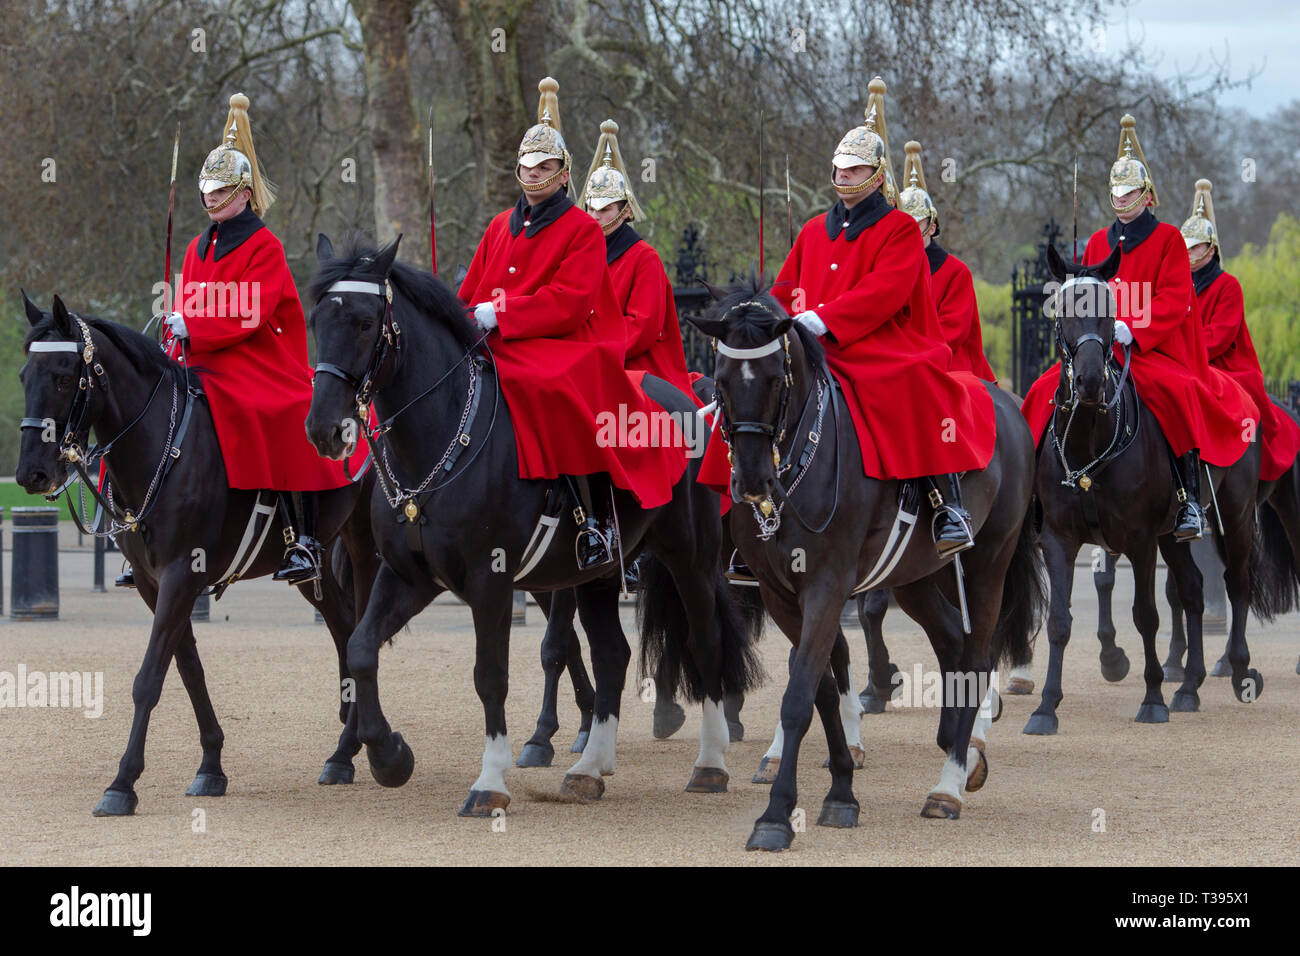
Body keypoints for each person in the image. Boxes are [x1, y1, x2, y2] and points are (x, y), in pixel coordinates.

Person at [725, 76, 996, 563]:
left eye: (855, 170)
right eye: (840, 169)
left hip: (884, 343)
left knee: (916, 380)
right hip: (815, 346)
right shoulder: (813, 229)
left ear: (876, 173)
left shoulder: (899, 230)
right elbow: (784, 290)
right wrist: (765, 318)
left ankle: (946, 502)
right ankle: (749, 517)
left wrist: (823, 320)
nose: (844, 176)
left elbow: (884, 294)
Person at [457, 78, 687, 570]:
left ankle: (592, 517)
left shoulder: (581, 230)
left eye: (544, 166)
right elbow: (470, 290)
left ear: (564, 175)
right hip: (498, 342)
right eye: (527, 166)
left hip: (566, 343)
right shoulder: (500, 225)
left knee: (553, 386)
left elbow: (569, 301)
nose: (533, 173)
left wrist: (502, 313)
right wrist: (453, 322)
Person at [120, 93, 348, 589]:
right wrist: (180, 322)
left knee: (284, 413)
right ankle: (138, 530)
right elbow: (197, 300)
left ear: (244, 193)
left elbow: (251, 310)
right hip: (202, 356)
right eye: (208, 189)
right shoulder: (200, 244)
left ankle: (301, 537)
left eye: (222, 190)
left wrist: (194, 324)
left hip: (258, 359)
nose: (211, 197)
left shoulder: (264, 244)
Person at [1020, 115, 1257, 540]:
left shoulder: (1168, 239)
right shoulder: (1096, 241)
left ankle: (1186, 497)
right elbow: (1085, 298)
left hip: (1155, 350)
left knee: (1179, 394)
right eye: (1117, 192)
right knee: (1041, 393)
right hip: (1102, 349)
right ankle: (1034, 498)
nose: (1123, 198)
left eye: (1130, 191)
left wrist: (1136, 329)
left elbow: (1175, 299)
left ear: (1147, 196)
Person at [1182, 178, 1300, 482]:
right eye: (1186, 247)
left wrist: (1182, 349)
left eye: (1196, 246)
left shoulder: (1227, 285)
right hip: (1186, 361)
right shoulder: (1178, 287)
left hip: (1226, 365)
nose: (1190, 252)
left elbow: (1219, 338)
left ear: (1211, 249)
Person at [897, 140, 996, 382]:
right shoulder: (888, 269)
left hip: (949, 363)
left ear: (931, 227)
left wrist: (909, 353)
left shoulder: (956, 272)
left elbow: (951, 332)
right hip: (899, 359)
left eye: (915, 225)